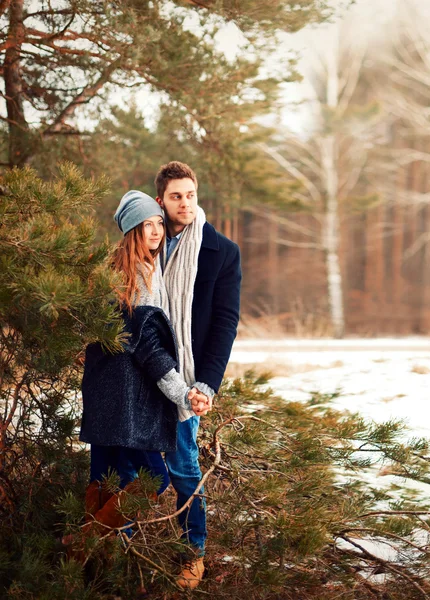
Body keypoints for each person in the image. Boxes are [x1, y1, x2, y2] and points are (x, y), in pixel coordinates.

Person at [79, 190, 207, 536]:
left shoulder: (115, 269)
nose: (155, 231)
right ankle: (86, 540)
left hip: (105, 394)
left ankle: (100, 562)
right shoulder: (140, 275)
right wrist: (181, 393)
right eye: (145, 224)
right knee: (155, 479)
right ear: (131, 230)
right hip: (126, 400)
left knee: (108, 480)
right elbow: (149, 348)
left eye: (158, 224)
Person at [154, 161, 242, 589]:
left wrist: (205, 385)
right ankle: (133, 543)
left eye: (189, 194)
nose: (185, 203)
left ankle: (194, 553)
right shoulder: (147, 242)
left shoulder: (222, 250)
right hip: (143, 373)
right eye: (176, 196)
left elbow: (225, 323)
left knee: (185, 468)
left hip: (186, 381)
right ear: (161, 201)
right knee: (139, 469)